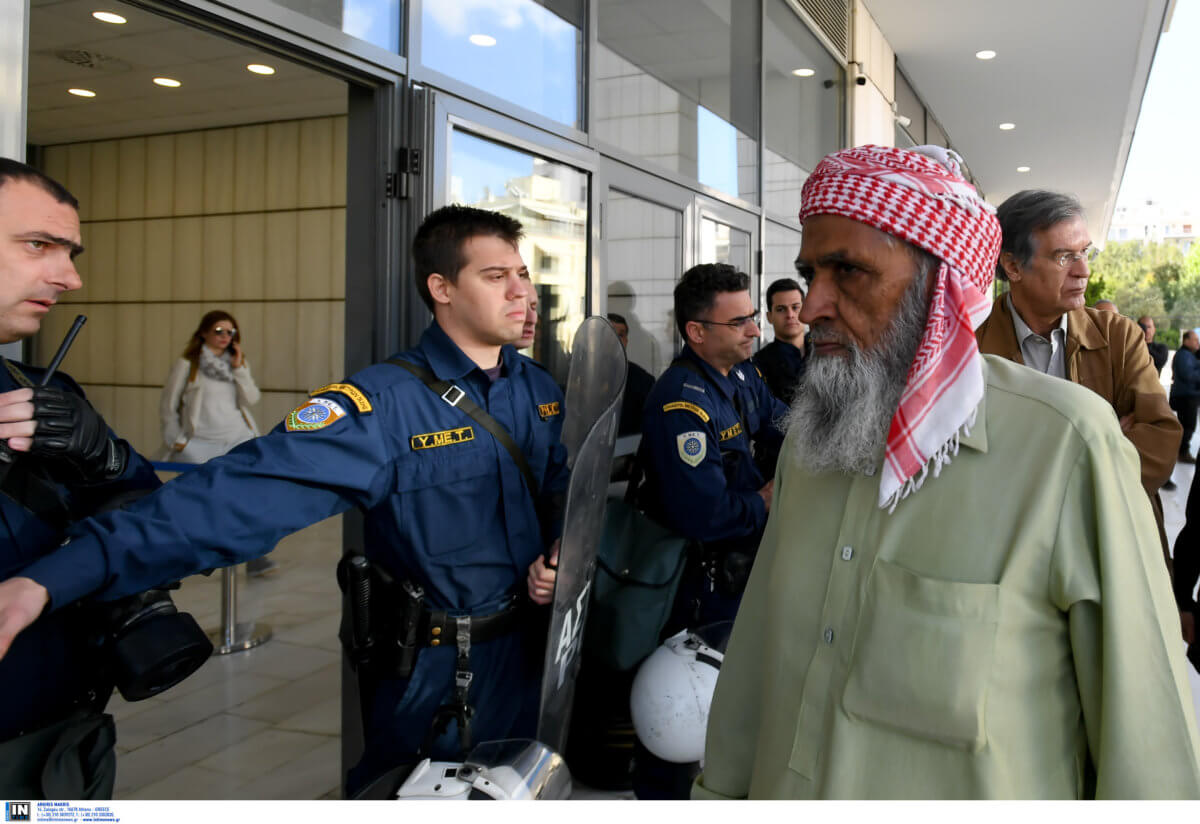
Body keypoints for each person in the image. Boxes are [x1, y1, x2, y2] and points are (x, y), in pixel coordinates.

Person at [0, 204, 569, 794]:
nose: (520, 293)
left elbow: (559, 491)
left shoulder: (538, 390)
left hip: (531, 654)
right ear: (441, 288)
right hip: (441, 673)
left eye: (522, 274)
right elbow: (228, 502)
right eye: (496, 276)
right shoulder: (380, 405)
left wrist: (560, 552)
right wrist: (52, 578)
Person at [695, 145, 1200, 799]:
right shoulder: (808, 447)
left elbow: (1148, 755)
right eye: (810, 271)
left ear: (942, 287)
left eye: (847, 271)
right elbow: (754, 674)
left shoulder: (1065, 447)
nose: (813, 302)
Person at [0, 158, 163, 798]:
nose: (70, 277)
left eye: (70, 252)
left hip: (66, 749)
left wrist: (106, 458)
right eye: (39, 245)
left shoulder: (44, 394)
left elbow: (154, 525)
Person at [976, 189, 1180, 572]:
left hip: (1113, 551)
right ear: (1013, 266)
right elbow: (965, 463)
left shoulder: (1119, 337)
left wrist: (1040, 464)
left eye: (1085, 252)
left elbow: (1160, 439)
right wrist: (1106, 441)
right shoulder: (970, 347)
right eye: (1064, 256)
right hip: (1009, 558)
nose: (1084, 270)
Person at [636, 263, 787, 633]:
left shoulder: (742, 373)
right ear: (697, 332)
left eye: (751, 317)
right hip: (702, 585)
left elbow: (785, 425)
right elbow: (706, 514)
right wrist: (767, 498)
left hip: (744, 564)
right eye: (739, 322)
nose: (754, 330)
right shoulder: (681, 404)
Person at [160, 311, 274, 576]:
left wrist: (239, 368)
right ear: (204, 333)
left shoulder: (236, 363)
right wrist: (177, 441)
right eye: (219, 331)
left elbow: (252, 399)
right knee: (203, 501)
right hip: (200, 443)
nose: (225, 337)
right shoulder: (188, 364)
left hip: (237, 437)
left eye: (230, 332)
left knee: (244, 498)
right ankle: (198, 553)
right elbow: (168, 406)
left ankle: (254, 556)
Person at [753, 278, 810, 403]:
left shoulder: (825, 349)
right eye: (781, 309)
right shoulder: (759, 365)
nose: (790, 315)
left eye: (795, 307)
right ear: (769, 317)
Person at [606, 312, 654, 436]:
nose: (615, 339)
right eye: (610, 334)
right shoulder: (582, 377)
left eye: (620, 335)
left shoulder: (643, 381)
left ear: (626, 341)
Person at [1170, 330, 1200, 464]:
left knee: (1187, 426)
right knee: (1188, 426)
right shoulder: (1183, 355)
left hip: (1188, 396)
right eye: (1195, 340)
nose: (1197, 343)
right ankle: (1182, 452)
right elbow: (1188, 375)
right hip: (1186, 397)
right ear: (1186, 340)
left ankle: (1181, 451)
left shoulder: (1189, 355)